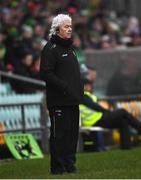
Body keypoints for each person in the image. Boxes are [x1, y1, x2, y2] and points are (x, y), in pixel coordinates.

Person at [40, 14, 83, 174]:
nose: (70, 29)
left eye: (70, 26)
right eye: (66, 26)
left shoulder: (70, 49)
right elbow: (46, 74)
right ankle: (57, 168)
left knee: (72, 135)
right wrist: (64, 86)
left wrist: (79, 90)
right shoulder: (50, 48)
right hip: (59, 101)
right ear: (57, 29)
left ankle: (70, 165)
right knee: (59, 135)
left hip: (73, 100)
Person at [80, 78, 141, 150]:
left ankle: (126, 147)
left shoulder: (85, 96)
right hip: (96, 121)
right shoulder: (83, 96)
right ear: (85, 86)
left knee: (123, 121)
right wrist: (109, 112)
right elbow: (96, 107)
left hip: (98, 120)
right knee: (122, 111)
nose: (91, 87)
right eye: (89, 85)